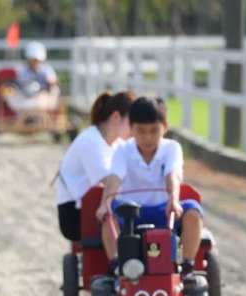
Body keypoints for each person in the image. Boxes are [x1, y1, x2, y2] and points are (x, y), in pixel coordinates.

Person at [96, 97, 204, 277]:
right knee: (109, 215)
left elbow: (173, 175)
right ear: (131, 129)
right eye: (141, 131)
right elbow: (114, 178)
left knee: (193, 210)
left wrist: (174, 200)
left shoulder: (172, 148)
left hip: (164, 209)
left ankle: (187, 265)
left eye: (154, 131)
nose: (148, 137)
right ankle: (117, 265)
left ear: (165, 127)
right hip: (129, 212)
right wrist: (103, 203)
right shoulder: (123, 150)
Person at [55, 91, 136, 241]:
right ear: (116, 117)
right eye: (132, 123)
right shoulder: (90, 141)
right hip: (75, 214)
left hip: (94, 206)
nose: (136, 129)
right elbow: (109, 181)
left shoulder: (117, 143)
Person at [5, 41, 60, 112]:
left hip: (42, 97)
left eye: (36, 60)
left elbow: (53, 81)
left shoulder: (46, 69)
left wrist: (51, 82)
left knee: (52, 92)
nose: (35, 62)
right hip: (24, 97)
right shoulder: (21, 70)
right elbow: (15, 85)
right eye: (33, 60)